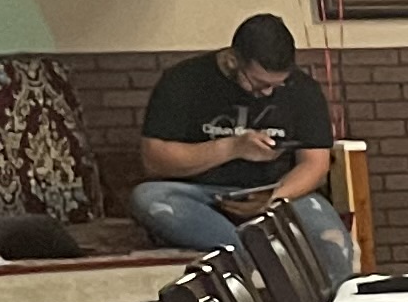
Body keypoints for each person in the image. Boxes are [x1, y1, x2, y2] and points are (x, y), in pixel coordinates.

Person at [132, 14, 357, 281]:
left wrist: (274, 197)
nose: (268, 93)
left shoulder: (303, 90)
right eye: (259, 84)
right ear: (232, 61)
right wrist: (232, 148)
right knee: (148, 197)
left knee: (332, 240)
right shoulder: (183, 81)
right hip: (202, 197)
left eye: (277, 85)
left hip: (278, 192)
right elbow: (155, 160)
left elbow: (315, 164)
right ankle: (249, 257)